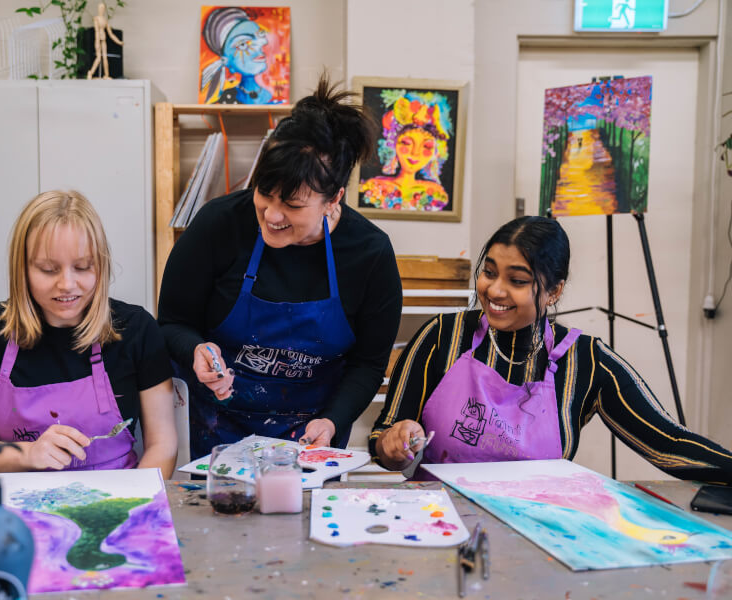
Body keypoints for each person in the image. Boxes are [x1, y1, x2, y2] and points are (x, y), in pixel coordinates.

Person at [372, 216, 732, 484]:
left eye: (517, 280)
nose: (495, 291)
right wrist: (392, 444)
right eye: (489, 272)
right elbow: (383, 435)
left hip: (535, 534)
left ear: (554, 291)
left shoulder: (586, 360)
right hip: (439, 523)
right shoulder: (441, 336)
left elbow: (668, 443)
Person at [158, 75, 403, 459]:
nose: (272, 215)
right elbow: (172, 322)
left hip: (310, 437)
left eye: (292, 204)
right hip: (214, 431)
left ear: (334, 199)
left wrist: (333, 421)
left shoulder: (369, 253)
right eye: (264, 193)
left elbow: (369, 364)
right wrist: (195, 349)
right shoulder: (220, 224)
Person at [0, 191, 177, 476]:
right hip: (17, 498)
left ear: (101, 265)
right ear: (22, 269)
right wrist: (27, 453)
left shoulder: (136, 329)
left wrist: (137, 499)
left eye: (82, 267)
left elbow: (163, 445)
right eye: (48, 269)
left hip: (117, 495)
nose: (67, 284)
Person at [359, 91, 451, 211]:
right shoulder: (373, 188)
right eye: (407, 143)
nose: (415, 153)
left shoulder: (436, 194)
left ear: (436, 152)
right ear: (392, 144)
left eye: (427, 146)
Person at [200, 6, 275, 104]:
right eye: (243, 44)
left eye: (259, 36)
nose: (260, 46)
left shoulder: (273, 96)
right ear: (226, 61)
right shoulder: (226, 100)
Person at [86, 1, 123, 81]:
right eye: (100, 8)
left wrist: (119, 42)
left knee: (105, 57)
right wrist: (97, 41)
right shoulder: (96, 19)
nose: (101, 9)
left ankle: (106, 75)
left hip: (103, 40)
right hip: (98, 39)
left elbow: (111, 34)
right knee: (98, 58)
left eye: (103, 8)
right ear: (98, 9)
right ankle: (90, 73)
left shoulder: (105, 21)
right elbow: (96, 31)